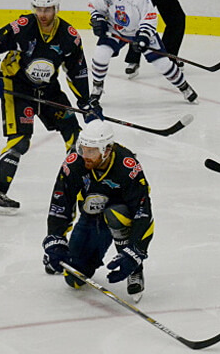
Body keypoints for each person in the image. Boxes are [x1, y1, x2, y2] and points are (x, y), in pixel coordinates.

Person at [0, 0, 98, 216]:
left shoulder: (69, 35)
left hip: (49, 91)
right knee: (21, 140)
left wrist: (86, 102)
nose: (43, 14)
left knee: (75, 133)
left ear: (56, 8)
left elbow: (78, 70)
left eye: (48, 9)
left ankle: (80, 189)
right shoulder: (23, 26)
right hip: (18, 87)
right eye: (39, 9)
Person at [42, 120, 154, 303]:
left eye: (92, 151)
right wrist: (56, 239)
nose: (85, 155)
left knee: (116, 213)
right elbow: (61, 201)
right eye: (83, 148)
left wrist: (135, 252)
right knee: (74, 279)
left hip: (121, 217)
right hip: (91, 218)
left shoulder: (127, 166)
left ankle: (135, 270)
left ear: (107, 150)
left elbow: (143, 212)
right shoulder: (75, 162)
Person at [88, 0, 197, 103]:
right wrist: (98, 20)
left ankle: (184, 87)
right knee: (100, 55)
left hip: (139, 31)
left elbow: (150, 17)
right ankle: (97, 87)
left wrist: (143, 37)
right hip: (116, 30)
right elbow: (94, 7)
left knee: (163, 63)